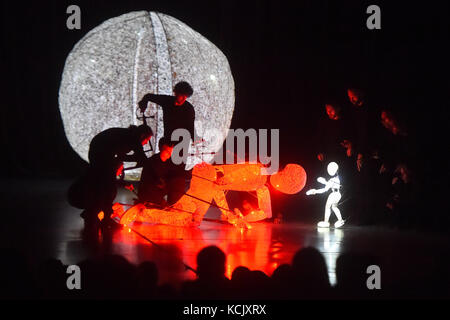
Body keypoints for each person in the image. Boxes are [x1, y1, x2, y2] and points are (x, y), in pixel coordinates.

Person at [138, 81, 198, 146]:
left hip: (181, 143)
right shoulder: (167, 101)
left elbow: (190, 125)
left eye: (185, 96)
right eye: (182, 95)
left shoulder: (189, 108)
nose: (184, 98)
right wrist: (143, 105)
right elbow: (148, 96)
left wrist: (195, 138)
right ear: (176, 93)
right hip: (167, 140)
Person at [137, 138, 190, 207]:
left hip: (158, 194)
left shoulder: (168, 163)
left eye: (171, 152)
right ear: (160, 148)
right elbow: (159, 182)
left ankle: (173, 204)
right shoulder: (153, 163)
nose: (169, 154)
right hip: (149, 195)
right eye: (167, 151)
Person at [88, 124, 153, 168]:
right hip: (99, 153)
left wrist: (137, 158)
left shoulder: (129, 134)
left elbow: (121, 157)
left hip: (96, 151)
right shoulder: (134, 138)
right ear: (142, 135)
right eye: (147, 139)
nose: (146, 143)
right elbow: (142, 157)